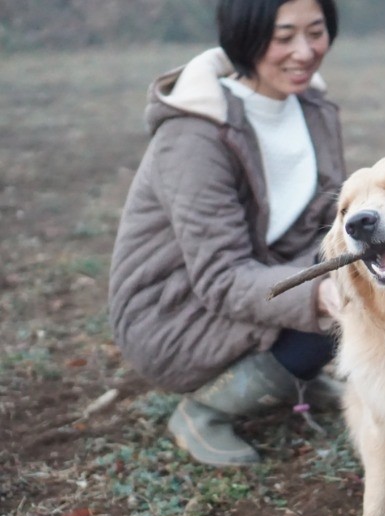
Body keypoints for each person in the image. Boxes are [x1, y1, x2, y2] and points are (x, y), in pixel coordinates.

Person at [109, 0, 344, 466]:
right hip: (178, 312)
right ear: (244, 35)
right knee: (331, 305)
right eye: (284, 38)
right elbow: (221, 276)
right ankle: (203, 412)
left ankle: (293, 373)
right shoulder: (195, 135)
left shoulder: (313, 107)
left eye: (316, 32)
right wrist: (321, 295)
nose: (305, 51)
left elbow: (326, 215)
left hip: (258, 278)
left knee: (367, 267)